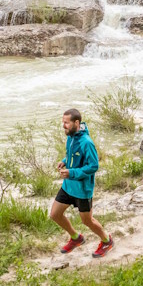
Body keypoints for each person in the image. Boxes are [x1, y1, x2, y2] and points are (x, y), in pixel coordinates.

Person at [49, 108, 113, 258]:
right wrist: (64, 162)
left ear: (76, 123)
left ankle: (107, 240)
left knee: (87, 221)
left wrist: (72, 173)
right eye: (62, 122)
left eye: (66, 122)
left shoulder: (87, 143)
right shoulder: (71, 137)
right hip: (68, 186)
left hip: (83, 190)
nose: (63, 125)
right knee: (55, 214)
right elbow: (71, 155)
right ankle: (76, 237)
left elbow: (93, 166)